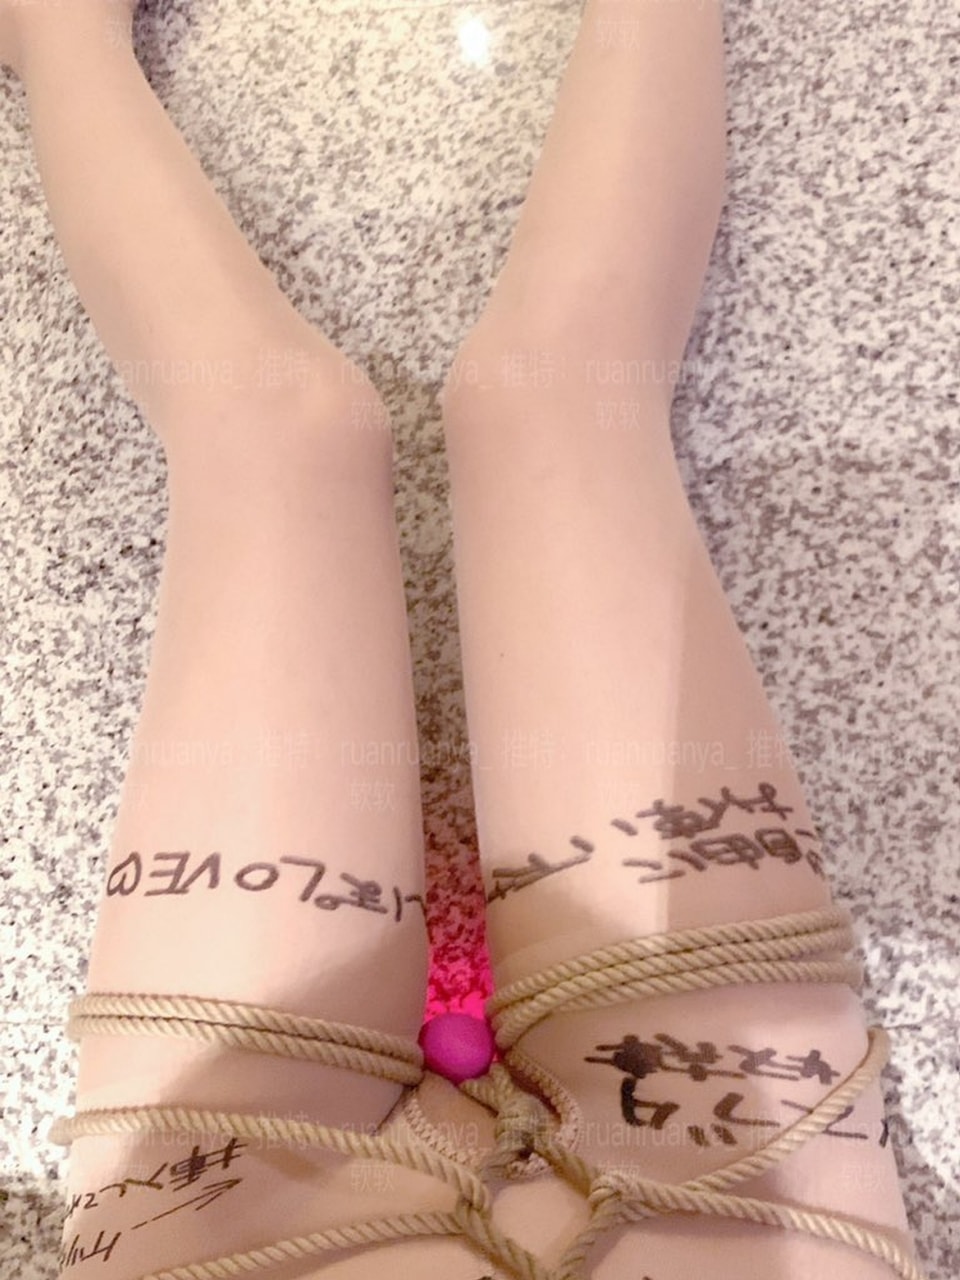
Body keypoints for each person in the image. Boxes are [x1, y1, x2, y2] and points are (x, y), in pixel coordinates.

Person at [0, 1, 926, 1277]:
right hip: (737, 1205)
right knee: (546, 397)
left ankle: (52, 29)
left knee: (284, 433)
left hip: (217, 1225)